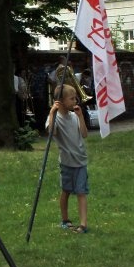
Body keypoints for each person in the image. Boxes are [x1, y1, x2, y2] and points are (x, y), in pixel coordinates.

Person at [46, 84, 89, 234]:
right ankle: (65, 220)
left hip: (80, 161)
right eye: (72, 98)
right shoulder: (55, 118)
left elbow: (84, 134)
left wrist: (81, 116)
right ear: (61, 101)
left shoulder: (74, 116)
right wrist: (52, 114)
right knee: (66, 191)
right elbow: (51, 133)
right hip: (66, 162)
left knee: (81, 192)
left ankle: (83, 224)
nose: (75, 100)